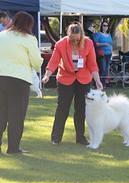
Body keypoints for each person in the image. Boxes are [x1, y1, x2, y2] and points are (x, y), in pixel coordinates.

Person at [42, 21, 103, 145]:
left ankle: (80, 137)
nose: (75, 42)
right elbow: (53, 62)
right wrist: (47, 75)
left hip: (84, 79)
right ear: (68, 35)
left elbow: (92, 64)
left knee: (81, 109)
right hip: (65, 78)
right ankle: (56, 137)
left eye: (77, 39)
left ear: (81, 36)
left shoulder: (88, 43)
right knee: (62, 108)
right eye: (72, 39)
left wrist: (97, 80)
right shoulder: (60, 44)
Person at [0, 11, 43, 154]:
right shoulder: (29, 39)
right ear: (28, 25)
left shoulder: (1, 35)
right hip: (19, 80)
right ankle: (13, 148)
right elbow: (37, 63)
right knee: (16, 116)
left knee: (1, 114)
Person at [94, 21, 113, 87]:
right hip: (102, 54)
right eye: (104, 25)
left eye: (106, 25)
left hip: (109, 54)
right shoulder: (98, 34)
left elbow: (111, 44)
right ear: (101, 26)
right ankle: (99, 83)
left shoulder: (109, 35)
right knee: (103, 69)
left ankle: (103, 84)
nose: (105, 27)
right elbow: (95, 44)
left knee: (106, 69)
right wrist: (104, 44)